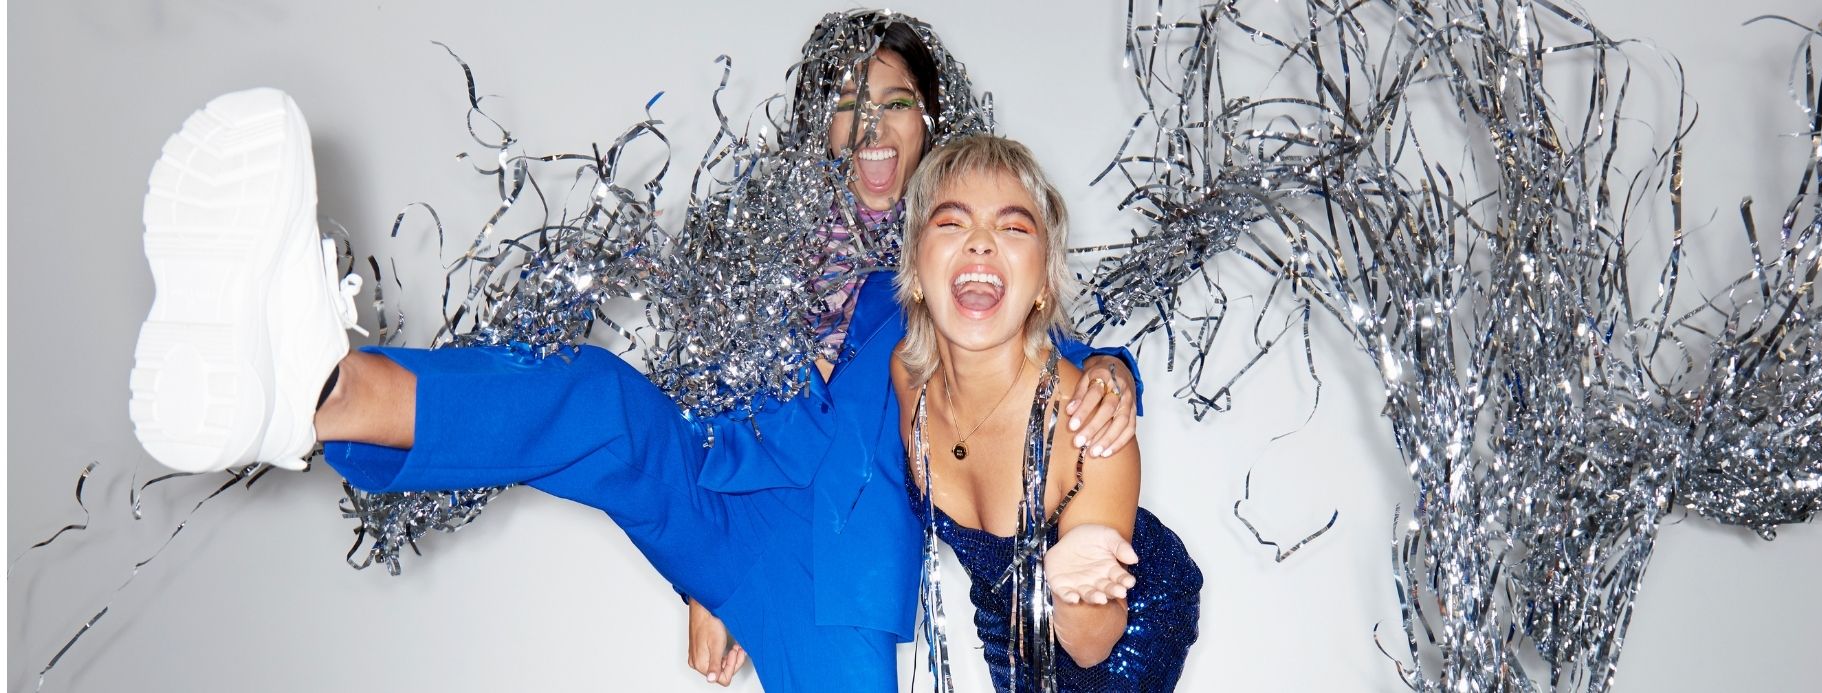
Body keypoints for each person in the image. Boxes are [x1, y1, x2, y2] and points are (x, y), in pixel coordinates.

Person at [125, 11, 1141, 692]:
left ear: (931, 122)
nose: (869, 123)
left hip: (830, 553)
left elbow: (1035, 337)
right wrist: (700, 580)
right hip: (708, 482)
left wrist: (1108, 374)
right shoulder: (759, 234)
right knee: (590, 398)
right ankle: (312, 393)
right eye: (846, 101)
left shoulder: (952, 244)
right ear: (819, 126)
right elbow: (697, 378)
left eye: (895, 102)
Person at [890, 135, 1201, 691]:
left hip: (1119, 637)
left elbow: (1089, 646)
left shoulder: (1091, 424)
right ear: (915, 269)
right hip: (1008, 630)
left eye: (1012, 227)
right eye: (952, 223)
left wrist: (1071, 584)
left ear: (1043, 285)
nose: (981, 243)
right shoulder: (909, 376)